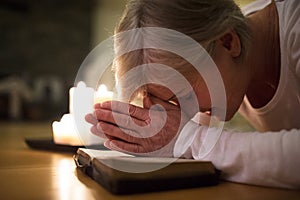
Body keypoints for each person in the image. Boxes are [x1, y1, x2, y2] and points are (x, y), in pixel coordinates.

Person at [86, 0, 300, 189]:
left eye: (187, 95)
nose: (188, 112)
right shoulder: (229, 65)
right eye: (172, 100)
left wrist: (190, 139)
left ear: (228, 42)